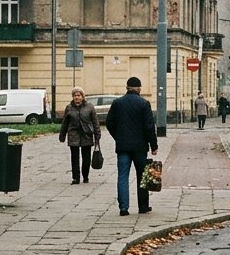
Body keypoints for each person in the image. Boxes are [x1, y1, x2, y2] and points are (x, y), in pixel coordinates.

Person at [105, 76, 157, 216]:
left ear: (127, 87)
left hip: (122, 147)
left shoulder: (117, 103)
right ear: (139, 88)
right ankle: (143, 206)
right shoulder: (144, 103)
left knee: (122, 176)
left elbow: (109, 123)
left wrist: (118, 137)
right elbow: (149, 126)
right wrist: (154, 145)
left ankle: (123, 208)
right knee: (142, 176)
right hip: (140, 147)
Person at [58, 87, 100, 184]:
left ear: (82, 96)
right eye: (75, 96)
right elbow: (65, 122)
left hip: (86, 135)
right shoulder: (69, 107)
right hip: (74, 135)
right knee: (74, 157)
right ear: (73, 97)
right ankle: (75, 178)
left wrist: (97, 135)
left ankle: (85, 176)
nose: (77, 97)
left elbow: (95, 122)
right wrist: (62, 135)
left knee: (86, 158)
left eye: (79, 95)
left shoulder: (89, 107)